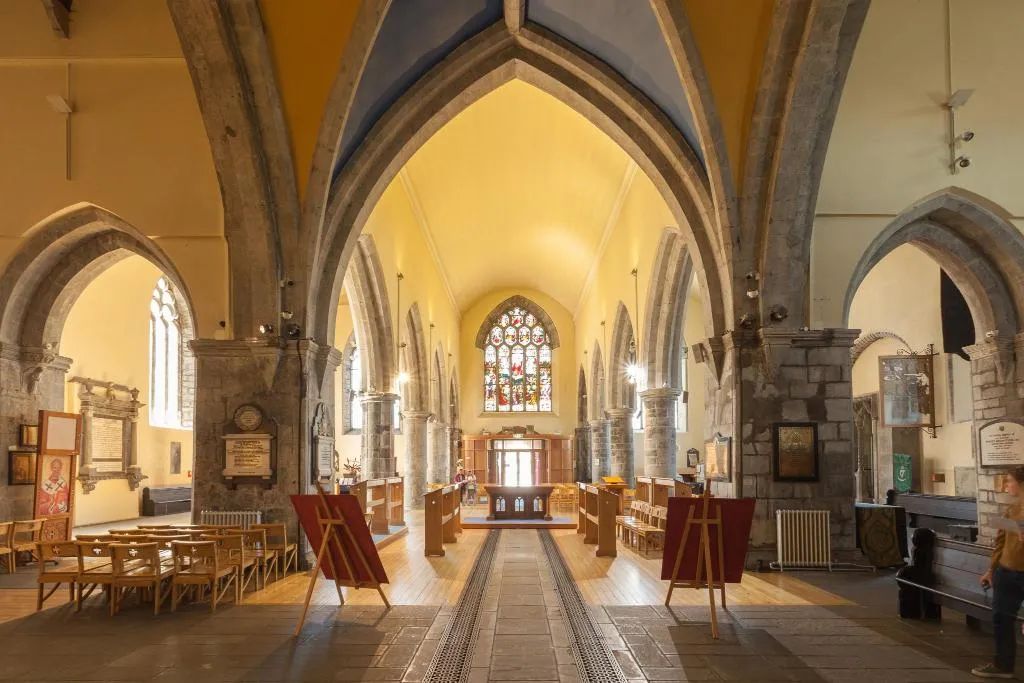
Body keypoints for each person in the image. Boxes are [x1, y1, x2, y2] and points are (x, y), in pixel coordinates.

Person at [973, 466, 1024, 679]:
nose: (1005, 485)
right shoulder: (1012, 509)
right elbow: (1001, 541)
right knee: (1001, 619)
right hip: (1006, 571)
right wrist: (991, 570)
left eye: (1009, 481)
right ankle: (1003, 665)